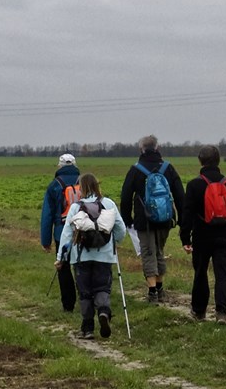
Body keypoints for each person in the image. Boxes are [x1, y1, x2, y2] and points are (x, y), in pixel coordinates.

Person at [55, 173, 137, 340]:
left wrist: (61, 257)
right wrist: (115, 242)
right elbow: (120, 228)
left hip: (81, 257)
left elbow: (67, 235)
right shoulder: (108, 203)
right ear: (97, 185)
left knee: (85, 292)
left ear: (81, 189)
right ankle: (104, 312)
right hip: (104, 256)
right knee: (102, 287)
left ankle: (87, 328)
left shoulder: (76, 207)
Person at [119, 137, 187, 306]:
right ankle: (161, 288)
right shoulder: (168, 168)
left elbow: (126, 197)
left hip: (144, 220)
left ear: (141, 149)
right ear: (158, 148)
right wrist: (182, 220)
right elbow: (180, 195)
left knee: (148, 252)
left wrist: (127, 220)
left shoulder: (136, 170)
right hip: (165, 218)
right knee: (159, 252)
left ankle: (152, 292)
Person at [182, 147, 226, 320]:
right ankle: (222, 312)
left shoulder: (194, 185)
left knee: (200, 273)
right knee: (223, 274)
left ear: (200, 161)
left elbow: (187, 213)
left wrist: (185, 238)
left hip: (201, 236)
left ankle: (199, 311)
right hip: (224, 235)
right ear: (219, 161)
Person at [38, 151, 83, 313]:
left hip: (61, 234)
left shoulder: (54, 185)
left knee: (63, 268)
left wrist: (45, 241)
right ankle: (86, 300)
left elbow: (47, 215)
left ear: (60, 165)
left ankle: (68, 305)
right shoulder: (84, 182)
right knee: (81, 266)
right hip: (84, 232)